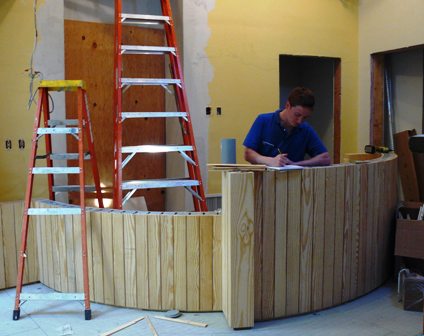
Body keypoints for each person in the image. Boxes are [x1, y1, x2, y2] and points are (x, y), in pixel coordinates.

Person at [243, 87, 331, 167]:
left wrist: (296, 164)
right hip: (263, 181)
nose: (300, 121)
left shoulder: (305, 129)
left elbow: (325, 158)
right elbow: (248, 153)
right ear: (287, 105)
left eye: (305, 118)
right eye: (297, 115)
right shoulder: (263, 120)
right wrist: (270, 161)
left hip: (293, 181)